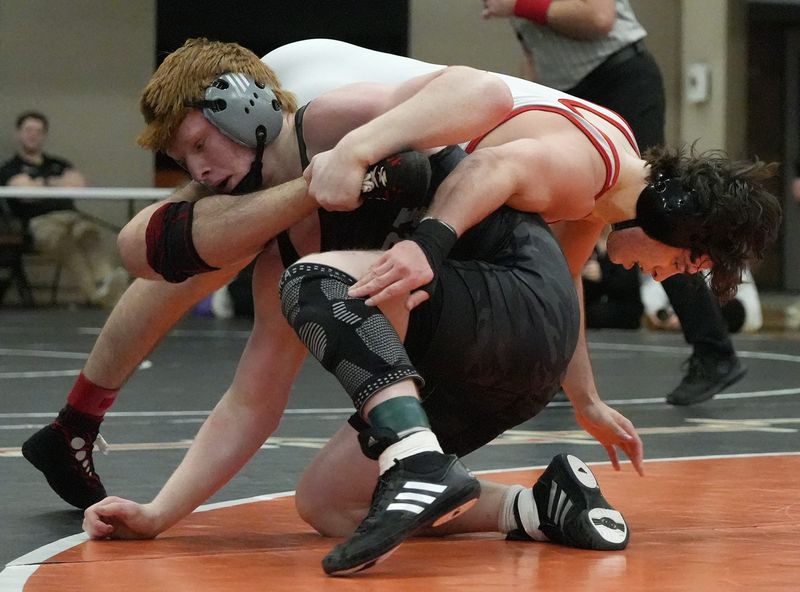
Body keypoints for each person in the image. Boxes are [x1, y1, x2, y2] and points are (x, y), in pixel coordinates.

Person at [78, 39, 779, 576]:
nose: (197, 174)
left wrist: (413, 224)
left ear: (244, 109)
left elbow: (482, 123)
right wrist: (161, 511)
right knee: (327, 503)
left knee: (327, 283)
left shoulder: (345, 124)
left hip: (492, 291)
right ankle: (536, 506)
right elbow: (250, 398)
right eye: (185, 161)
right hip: (496, 344)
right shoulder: (283, 244)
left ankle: (415, 460)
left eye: (201, 146)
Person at [481, 0, 748, 406]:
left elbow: (598, 18)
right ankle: (551, 360)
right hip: (569, 91)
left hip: (618, 78)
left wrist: (518, 5)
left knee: (647, 219)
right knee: (554, 228)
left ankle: (714, 351)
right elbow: (536, 56)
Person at [0, 112, 128, 308]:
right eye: (28, 130)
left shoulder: (58, 163)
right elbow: (25, 192)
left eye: (38, 131)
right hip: (39, 223)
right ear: (19, 134)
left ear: (44, 135)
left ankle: (108, 281)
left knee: (89, 233)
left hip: (72, 217)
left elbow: (79, 184)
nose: (33, 135)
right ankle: (100, 295)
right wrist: (58, 182)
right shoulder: (10, 168)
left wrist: (42, 183)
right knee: (64, 241)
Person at [582, 227, 643, 329]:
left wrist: (602, 277)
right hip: (593, 303)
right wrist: (582, 274)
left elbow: (627, 284)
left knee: (597, 313)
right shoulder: (585, 243)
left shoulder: (624, 243)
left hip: (623, 306)